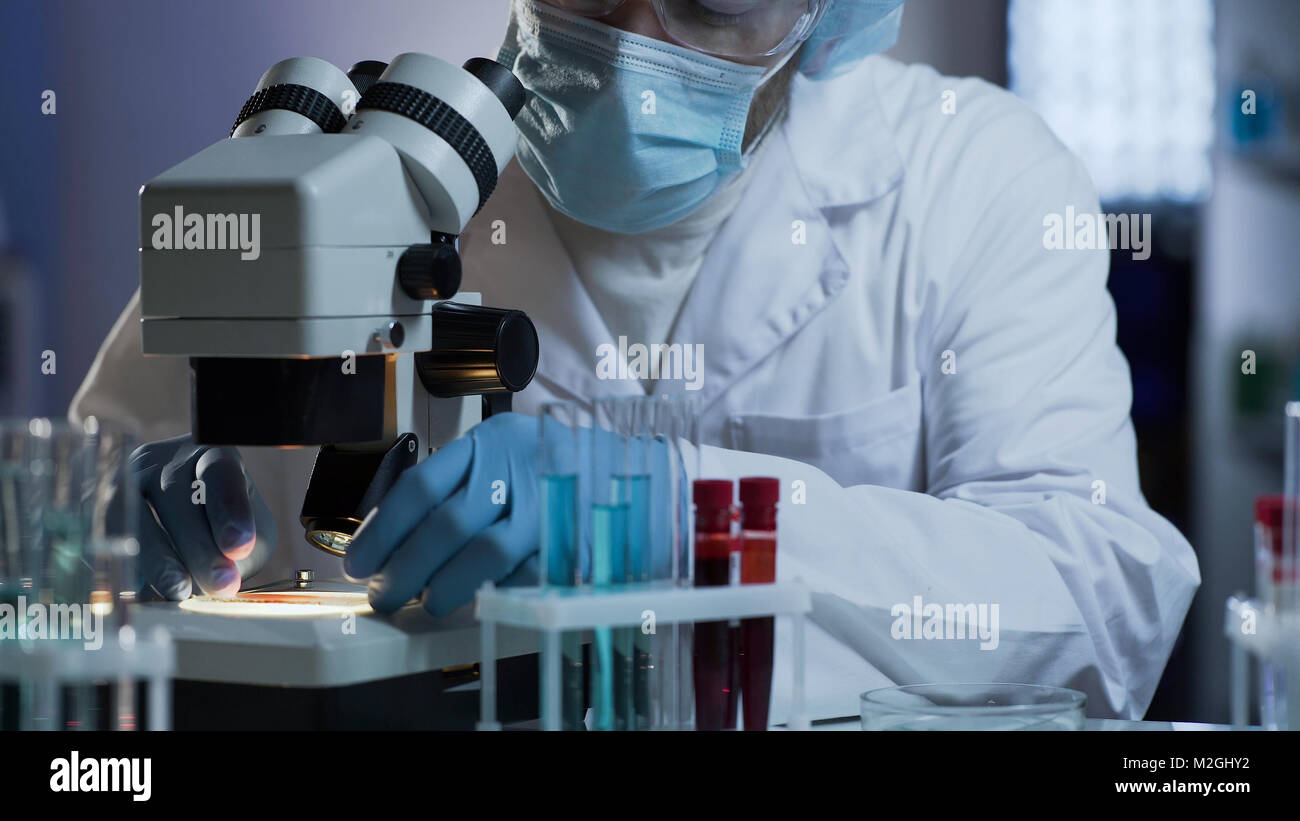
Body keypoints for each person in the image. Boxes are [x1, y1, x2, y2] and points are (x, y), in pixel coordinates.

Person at [71, 0, 1200, 722]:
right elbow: (59, 537)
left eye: (713, 3)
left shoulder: (969, 176)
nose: (633, 40)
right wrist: (107, 545)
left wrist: (686, 516)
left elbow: (1101, 608)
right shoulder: (353, 182)